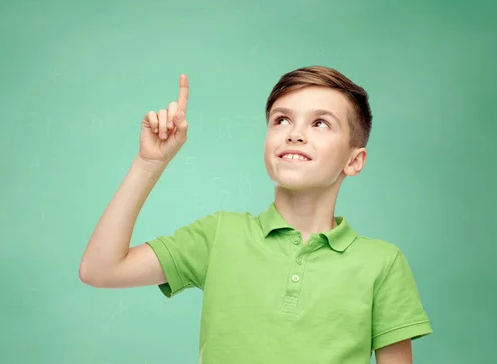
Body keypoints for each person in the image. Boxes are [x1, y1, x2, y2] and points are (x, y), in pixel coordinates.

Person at [79, 66, 432, 363]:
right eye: (281, 120)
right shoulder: (220, 235)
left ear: (354, 161)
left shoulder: (382, 263)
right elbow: (100, 269)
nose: (294, 134)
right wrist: (149, 162)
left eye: (320, 124)